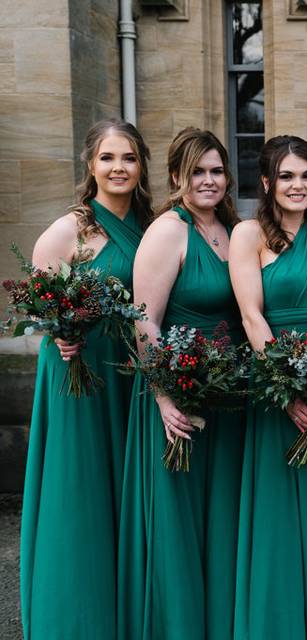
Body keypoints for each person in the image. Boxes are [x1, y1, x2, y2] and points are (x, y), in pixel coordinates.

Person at [20, 118, 151, 639]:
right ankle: (77, 616)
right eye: (108, 158)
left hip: (133, 372)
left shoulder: (150, 224)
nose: (118, 168)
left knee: (129, 486)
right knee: (82, 490)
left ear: (141, 166)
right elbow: (42, 306)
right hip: (82, 373)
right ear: (90, 165)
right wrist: (58, 337)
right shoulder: (71, 229)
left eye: (129, 158)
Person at [117, 128, 243, 640]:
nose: (209, 180)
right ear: (176, 177)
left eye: (217, 170)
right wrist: (165, 397)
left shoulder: (232, 228)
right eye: (198, 172)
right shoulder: (169, 230)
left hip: (230, 396)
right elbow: (143, 321)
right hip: (180, 400)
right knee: (181, 525)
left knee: (223, 520)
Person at [229, 135, 307, 639]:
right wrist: (290, 389)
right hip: (276, 386)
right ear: (269, 182)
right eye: (289, 176)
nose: (299, 186)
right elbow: (252, 316)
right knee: (277, 517)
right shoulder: (249, 234)